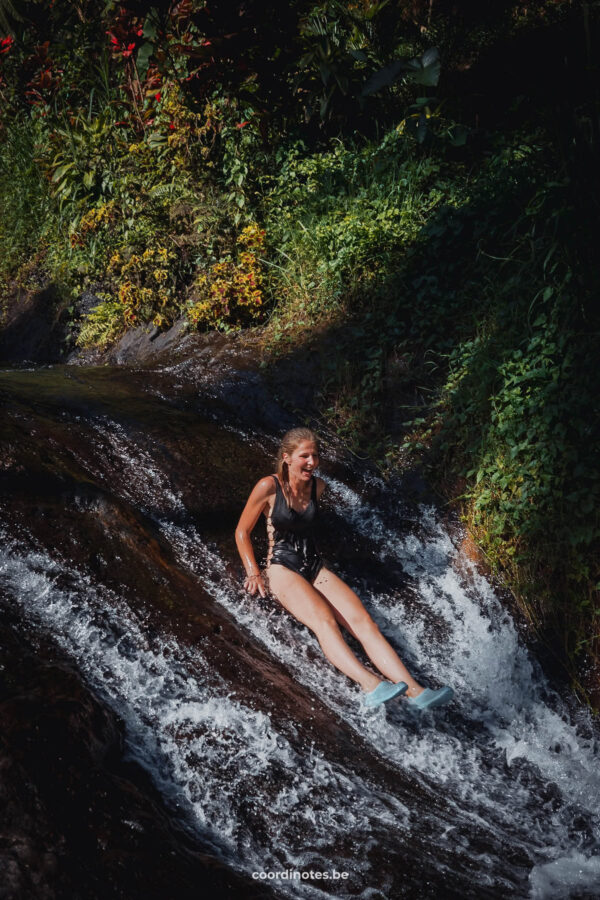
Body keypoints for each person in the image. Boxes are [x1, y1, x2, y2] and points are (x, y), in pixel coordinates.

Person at [235, 427, 453, 710]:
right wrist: (253, 572)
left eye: (315, 455)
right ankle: (370, 685)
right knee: (324, 620)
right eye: (305, 456)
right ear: (287, 458)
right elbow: (242, 531)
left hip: (312, 565)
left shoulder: (318, 487)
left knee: (363, 622)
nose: (312, 462)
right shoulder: (268, 486)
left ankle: (416, 691)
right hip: (282, 567)